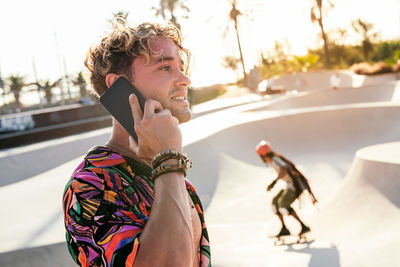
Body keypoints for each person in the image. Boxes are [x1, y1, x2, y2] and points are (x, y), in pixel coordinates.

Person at [62, 21, 211, 266]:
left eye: (182, 67)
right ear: (119, 86)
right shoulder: (91, 184)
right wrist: (168, 160)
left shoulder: (177, 179)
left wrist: (168, 163)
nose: (185, 79)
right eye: (165, 67)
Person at [256, 140, 317, 237]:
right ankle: (284, 229)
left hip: (293, 186)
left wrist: (273, 183)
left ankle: (303, 226)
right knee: (275, 203)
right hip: (288, 186)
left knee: (283, 204)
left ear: (263, 155)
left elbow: (284, 169)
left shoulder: (275, 159)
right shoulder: (273, 160)